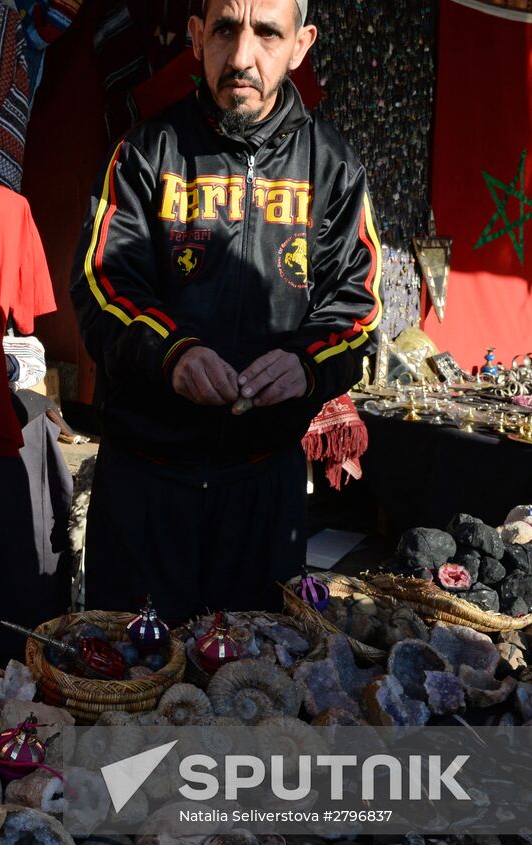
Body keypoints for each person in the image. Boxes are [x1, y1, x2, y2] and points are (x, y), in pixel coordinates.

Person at [71, 0, 380, 621]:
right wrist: (173, 353)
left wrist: (307, 364)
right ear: (195, 38)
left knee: (259, 688)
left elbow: (360, 307)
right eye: (224, 29)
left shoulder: (334, 166)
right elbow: (102, 282)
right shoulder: (144, 153)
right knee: (128, 690)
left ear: (301, 44)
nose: (242, 56)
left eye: (267, 33)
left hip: (264, 487)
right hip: (146, 482)